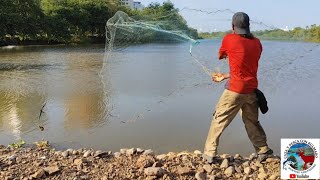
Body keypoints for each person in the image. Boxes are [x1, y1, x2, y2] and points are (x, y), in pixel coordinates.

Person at [203, 12, 273, 163]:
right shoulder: (257, 43)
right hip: (251, 90)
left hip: (234, 91)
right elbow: (245, 69)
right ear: (248, 26)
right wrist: (225, 76)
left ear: (233, 26)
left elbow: (220, 56)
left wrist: (229, 53)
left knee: (218, 120)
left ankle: (209, 153)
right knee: (251, 121)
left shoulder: (229, 39)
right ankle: (263, 150)